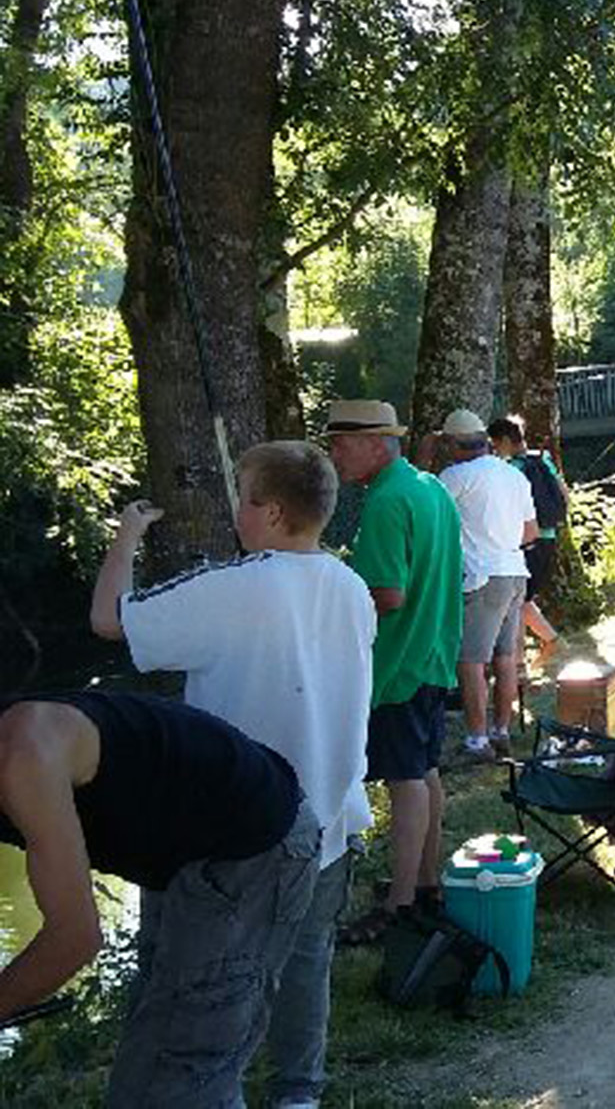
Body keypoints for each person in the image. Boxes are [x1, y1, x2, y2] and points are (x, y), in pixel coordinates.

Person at [91, 445, 372, 1109]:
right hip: (332, 811)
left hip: (240, 829)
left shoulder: (233, 588)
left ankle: (212, 1091)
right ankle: (298, 1093)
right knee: (306, 963)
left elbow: (109, 619)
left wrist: (126, 536)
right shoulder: (350, 586)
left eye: (242, 494)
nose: (234, 507)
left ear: (270, 512)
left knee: (201, 983)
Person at [0, 690, 320, 1106]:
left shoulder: (23, 757)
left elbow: (74, 937)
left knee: (177, 1079)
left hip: (251, 852)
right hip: (179, 855)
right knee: (157, 1056)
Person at [324, 399, 460, 946]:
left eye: (341, 443)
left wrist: (333, 587)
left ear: (378, 443)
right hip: (434, 655)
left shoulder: (385, 501)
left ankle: (400, 905)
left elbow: (387, 594)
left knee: (405, 781)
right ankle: (426, 884)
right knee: (425, 772)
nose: (333, 455)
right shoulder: (432, 490)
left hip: (398, 663)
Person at [437, 409, 536, 759]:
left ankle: (477, 740)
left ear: (451, 443)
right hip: (515, 570)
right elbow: (530, 532)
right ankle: (501, 730)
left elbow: (429, 517)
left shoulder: (455, 476)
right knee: (506, 657)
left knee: (471, 661)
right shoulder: (513, 476)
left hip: (481, 574)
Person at [491, 417, 565, 668]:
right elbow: (563, 494)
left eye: (494, 444)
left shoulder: (512, 469)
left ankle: (550, 639)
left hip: (525, 541)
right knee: (522, 598)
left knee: (519, 600)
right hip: (549, 538)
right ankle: (519, 661)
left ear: (503, 441)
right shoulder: (542, 459)